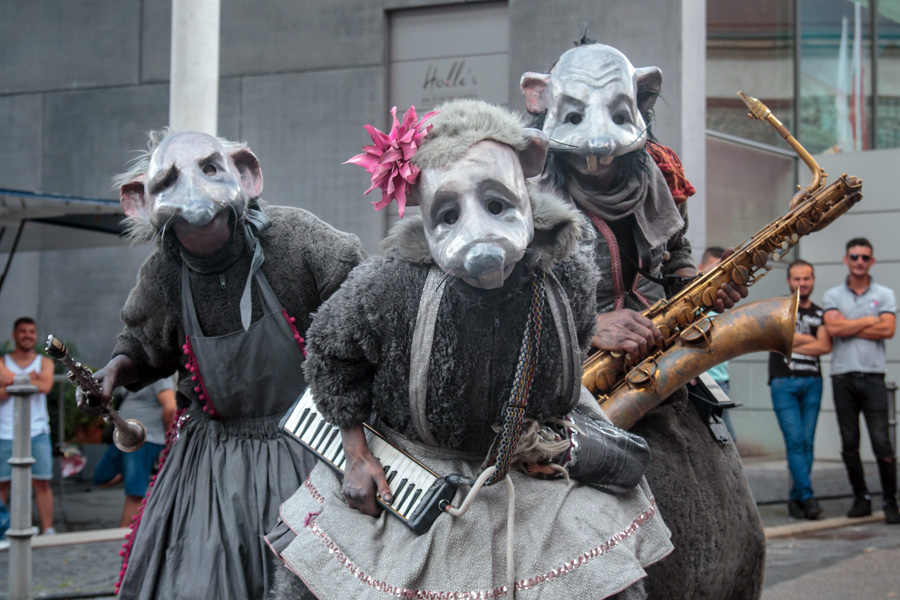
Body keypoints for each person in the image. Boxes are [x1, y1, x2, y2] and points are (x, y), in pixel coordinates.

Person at [268, 100, 672, 600]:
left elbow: (572, 343)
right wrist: (355, 455)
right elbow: (329, 356)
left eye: (497, 204)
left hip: (534, 470)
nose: (478, 233)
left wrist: (549, 435)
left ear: (528, 175)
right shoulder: (388, 286)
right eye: (449, 213)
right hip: (418, 470)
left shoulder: (565, 270)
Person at [82, 129, 366, 598]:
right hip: (213, 467)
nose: (193, 191)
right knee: (200, 581)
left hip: (312, 447)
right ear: (139, 201)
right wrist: (116, 370)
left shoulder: (297, 240)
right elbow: (143, 343)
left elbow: (361, 304)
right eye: (168, 181)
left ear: (247, 174)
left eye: (210, 169)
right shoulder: (163, 274)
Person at [823, 238, 899, 524]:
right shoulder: (832, 295)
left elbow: (888, 329)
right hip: (842, 377)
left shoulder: (885, 293)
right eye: (854, 256)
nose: (859, 262)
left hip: (873, 377)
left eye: (865, 257)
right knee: (849, 442)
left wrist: (849, 325)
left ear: (872, 262)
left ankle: (891, 501)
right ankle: (861, 498)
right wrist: (869, 320)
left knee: (882, 442)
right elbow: (833, 328)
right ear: (846, 259)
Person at [768, 260, 831, 520]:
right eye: (797, 279)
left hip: (813, 382)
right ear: (788, 281)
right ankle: (806, 496)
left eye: (806, 278)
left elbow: (825, 347)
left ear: (813, 280)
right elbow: (774, 340)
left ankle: (796, 499)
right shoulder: (777, 308)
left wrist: (792, 340)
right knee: (794, 441)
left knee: (807, 442)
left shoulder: (822, 312)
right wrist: (810, 340)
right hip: (783, 383)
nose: (801, 283)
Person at [93, 377, 176, 527]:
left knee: (134, 493)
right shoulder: (134, 367)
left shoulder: (159, 372)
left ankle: (123, 538)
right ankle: (137, 475)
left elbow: (170, 406)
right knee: (101, 478)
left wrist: (169, 440)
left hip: (144, 439)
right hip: (124, 438)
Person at [0, 317, 57, 535]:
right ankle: (2, 528)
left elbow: (46, 386)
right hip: (5, 431)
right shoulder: (3, 361)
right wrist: (28, 379)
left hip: (37, 431)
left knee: (41, 482)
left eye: (31, 332)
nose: (27, 335)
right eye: (22, 331)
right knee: (2, 484)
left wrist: (10, 381)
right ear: (14, 335)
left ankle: (48, 529)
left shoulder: (45, 363)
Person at [697, 246, 737, 441]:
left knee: (727, 438)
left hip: (721, 379)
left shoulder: (722, 302)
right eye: (715, 271)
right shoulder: (692, 304)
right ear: (699, 268)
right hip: (699, 379)